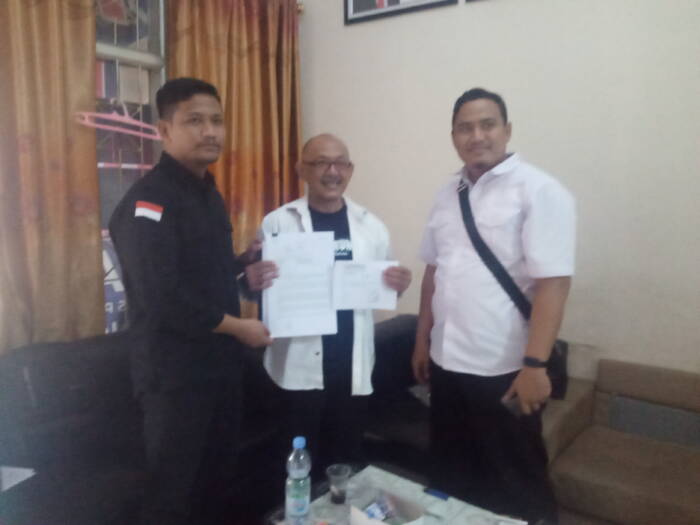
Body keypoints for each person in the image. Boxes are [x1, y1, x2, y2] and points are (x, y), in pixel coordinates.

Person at [109, 77, 272, 525]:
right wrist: (240, 327)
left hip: (221, 369)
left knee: (215, 486)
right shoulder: (148, 202)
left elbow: (201, 273)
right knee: (172, 498)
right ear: (164, 130)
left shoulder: (208, 193)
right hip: (175, 379)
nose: (210, 132)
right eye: (195, 121)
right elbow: (163, 297)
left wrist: (243, 265)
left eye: (217, 121)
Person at [412, 88, 575, 524]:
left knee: (517, 485)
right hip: (447, 363)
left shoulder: (539, 191)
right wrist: (422, 340)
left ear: (507, 130)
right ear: (453, 137)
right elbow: (433, 272)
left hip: (505, 369)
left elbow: (554, 284)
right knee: (452, 476)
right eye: (465, 128)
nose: (477, 136)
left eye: (487, 125)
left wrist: (535, 366)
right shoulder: (447, 193)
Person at [245, 133, 412, 475]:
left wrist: (399, 285)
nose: (332, 171)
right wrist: (252, 280)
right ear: (302, 170)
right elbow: (260, 291)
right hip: (297, 369)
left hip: (351, 369)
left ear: (350, 170)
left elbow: (382, 289)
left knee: (346, 464)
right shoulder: (278, 222)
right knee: (297, 468)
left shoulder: (372, 227)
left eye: (340, 163)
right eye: (321, 162)